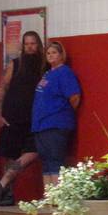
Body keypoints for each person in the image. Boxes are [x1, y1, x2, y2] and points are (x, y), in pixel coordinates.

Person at [0, 31, 45, 206]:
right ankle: (6, 192)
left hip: (34, 117)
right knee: (10, 154)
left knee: (34, 150)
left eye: (33, 43)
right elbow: (3, 87)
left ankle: (3, 182)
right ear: (22, 46)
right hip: (12, 115)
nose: (30, 46)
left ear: (38, 44)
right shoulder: (15, 64)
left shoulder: (44, 66)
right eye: (26, 43)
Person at [31, 41, 82, 186]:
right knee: (45, 161)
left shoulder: (65, 72)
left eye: (54, 52)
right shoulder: (47, 74)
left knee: (55, 159)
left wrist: (62, 112)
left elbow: (74, 97)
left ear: (61, 55)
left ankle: (58, 197)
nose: (51, 56)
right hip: (41, 124)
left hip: (56, 123)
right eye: (48, 53)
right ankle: (49, 198)